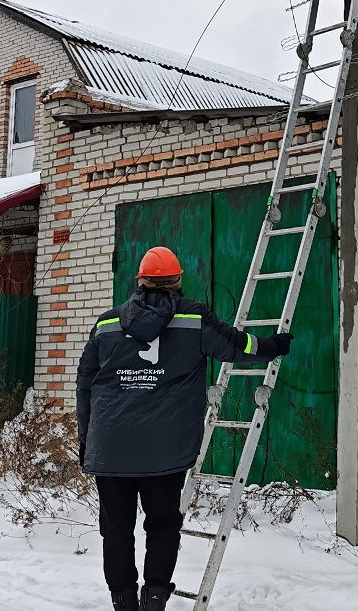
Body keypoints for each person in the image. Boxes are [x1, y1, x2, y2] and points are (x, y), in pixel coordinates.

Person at [76, 246, 295, 611]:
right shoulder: (194, 318)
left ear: (140, 280)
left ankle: (125, 605)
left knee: (116, 530)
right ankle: (155, 601)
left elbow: (85, 384)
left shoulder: (106, 323)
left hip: (110, 449)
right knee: (162, 528)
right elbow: (236, 346)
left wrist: (87, 438)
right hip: (165, 452)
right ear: (177, 280)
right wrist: (273, 346)